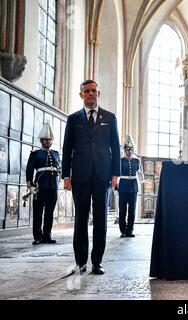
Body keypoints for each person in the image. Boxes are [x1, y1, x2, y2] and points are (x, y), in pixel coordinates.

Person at [62, 80, 121, 275]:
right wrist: (66, 176)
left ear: (98, 93)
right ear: (81, 95)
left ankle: (97, 262)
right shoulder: (73, 119)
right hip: (80, 176)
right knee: (80, 219)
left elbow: (116, 147)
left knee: (101, 220)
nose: (90, 94)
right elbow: (67, 149)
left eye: (93, 91)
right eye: (86, 91)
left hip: (103, 176)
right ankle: (81, 261)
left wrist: (116, 174)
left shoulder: (110, 118)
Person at [26, 122, 60, 245]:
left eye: (49, 139)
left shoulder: (56, 154)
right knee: (38, 212)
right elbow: (29, 169)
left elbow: (59, 169)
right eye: (45, 139)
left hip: (53, 187)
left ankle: (47, 236)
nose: (47, 142)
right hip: (39, 187)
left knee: (49, 213)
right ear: (41, 141)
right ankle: (37, 236)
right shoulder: (35, 153)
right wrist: (29, 185)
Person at [118, 134, 143, 238]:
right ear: (124, 150)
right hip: (123, 185)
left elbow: (140, 173)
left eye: (131, 149)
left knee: (132, 210)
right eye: (127, 149)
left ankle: (130, 230)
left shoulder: (136, 160)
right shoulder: (120, 160)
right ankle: (123, 230)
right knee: (122, 209)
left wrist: (141, 180)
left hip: (133, 186)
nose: (129, 151)